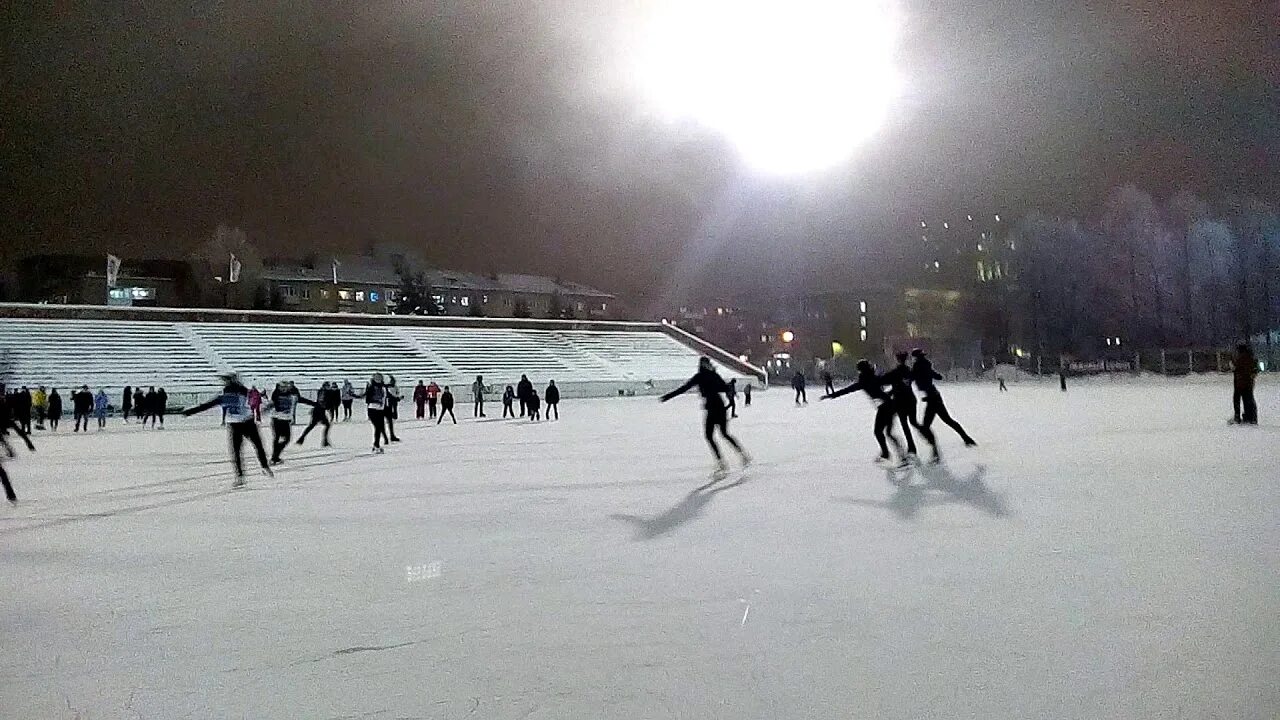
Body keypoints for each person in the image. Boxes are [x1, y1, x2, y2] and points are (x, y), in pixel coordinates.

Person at [661, 356, 751, 474]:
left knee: (713, 435)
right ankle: (738, 456)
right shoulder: (710, 375)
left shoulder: (702, 376)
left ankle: (725, 461)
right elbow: (723, 388)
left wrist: (668, 396)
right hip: (717, 406)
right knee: (720, 434)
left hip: (714, 407)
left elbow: (685, 388)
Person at [183, 372, 272, 485]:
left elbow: (206, 406)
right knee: (255, 446)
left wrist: (189, 412)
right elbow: (258, 399)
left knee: (238, 450)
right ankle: (260, 468)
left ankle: (242, 475)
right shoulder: (241, 391)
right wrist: (268, 405)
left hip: (239, 423)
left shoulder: (228, 394)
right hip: (243, 422)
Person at [822, 359, 908, 467]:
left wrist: (832, 395)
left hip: (885, 407)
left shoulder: (864, 380)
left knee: (879, 432)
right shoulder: (874, 378)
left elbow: (849, 389)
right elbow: (889, 379)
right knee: (887, 432)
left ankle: (892, 454)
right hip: (889, 405)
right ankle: (895, 455)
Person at [910, 348, 977, 448]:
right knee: (947, 420)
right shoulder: (926, 365)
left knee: (927, 425)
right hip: (935, 396)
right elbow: (937, 376)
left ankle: (934, 447)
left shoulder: (918, 366)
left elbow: (912, 377)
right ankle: (966, 438)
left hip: (931, 398)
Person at [883, 351, 926, 461]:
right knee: (913, 422)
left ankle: (912, 447)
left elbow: (887, 381)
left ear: (897, 360)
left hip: (900, 402)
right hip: (911, 400)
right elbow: (902, 385)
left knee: (905, 425)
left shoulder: (895, 372)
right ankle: (926, 435)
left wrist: (889, 392)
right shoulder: (908, 371)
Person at [268, 380, 314, 464]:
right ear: (278, 387)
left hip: (284, 420)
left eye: (285, 387)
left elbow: (302, 400)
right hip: (277, 419)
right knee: (278, 438)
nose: (284, 389)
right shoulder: (276, 394)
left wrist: (315, 403)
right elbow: (271, 404)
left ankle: (275, 456)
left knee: (286, 439)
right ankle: (275, 457)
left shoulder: (292, 395)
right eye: (282, 387)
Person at [296, 382, 333, 447]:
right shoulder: (323, 392)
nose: (329, 387)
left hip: (319, 410)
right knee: (324, 425)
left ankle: (302, 438)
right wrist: (326, 406)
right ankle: (324, 441)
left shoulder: (323, 391)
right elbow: (321, 401)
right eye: (328, 386)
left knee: (313, 425)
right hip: (319, 410)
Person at [1232, 344, 1259, 424]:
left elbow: (1237, 368)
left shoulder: (1241, 358)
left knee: (1237, 400)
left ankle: (1238, 417)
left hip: (1239, 383)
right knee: (1249, 400)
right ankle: (1251, 417)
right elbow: (1255, 370)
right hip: (1248, 383)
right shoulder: (1252, 358)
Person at [364, 373, 390, 452]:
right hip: (373, 409)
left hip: (380, 410)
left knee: (379, 427)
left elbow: (387, 396)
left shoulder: (383, 388)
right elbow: (367, 397)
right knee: (378, 428)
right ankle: (376, 445)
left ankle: (377, 444)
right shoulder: (372, 387)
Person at [384, 375, 402, 443]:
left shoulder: (385, 388)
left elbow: (391, 396)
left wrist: (397, 398)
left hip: (386, 407)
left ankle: (391, 436)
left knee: (390, 422)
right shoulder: (383, 388)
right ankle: (388, 437)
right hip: (381, 407)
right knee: (381, 424)